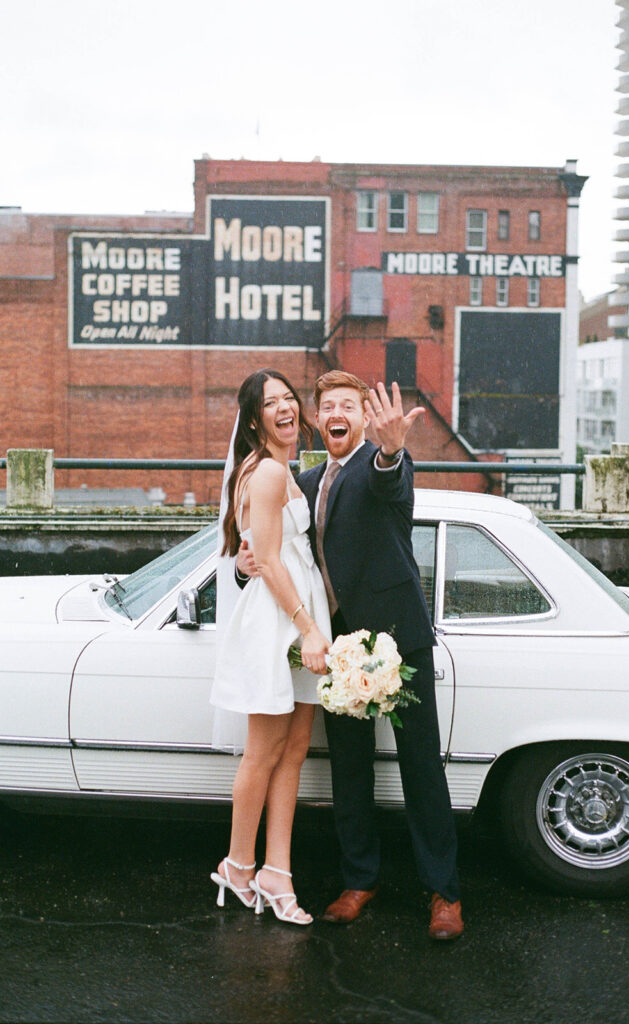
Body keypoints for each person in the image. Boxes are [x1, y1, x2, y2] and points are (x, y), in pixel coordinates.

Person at [238, 369, 463, 941]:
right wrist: (248, 566)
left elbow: (391, 483)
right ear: (318, 420)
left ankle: (445, 894)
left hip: (398, 636)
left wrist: (391, 448)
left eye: (348, 404)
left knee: (420, 766)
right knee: (351, 769)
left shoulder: (386, 463)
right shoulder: (305, 482)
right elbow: (281, 552)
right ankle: (359, 880)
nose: (336, 412)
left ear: (364, 417)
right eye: (327, 405)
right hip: (335, 646)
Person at [210, 369, 331, 926]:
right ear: (255, 418)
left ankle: (276, 872)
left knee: (296, 747)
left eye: (289, 398)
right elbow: (270, 559)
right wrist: (307, 626)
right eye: (271, 403)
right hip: (282, 620)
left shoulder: (284, 468)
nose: (284, 408)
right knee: (263, 750)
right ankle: (237, 865)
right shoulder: (265, 473)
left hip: (302, 614)